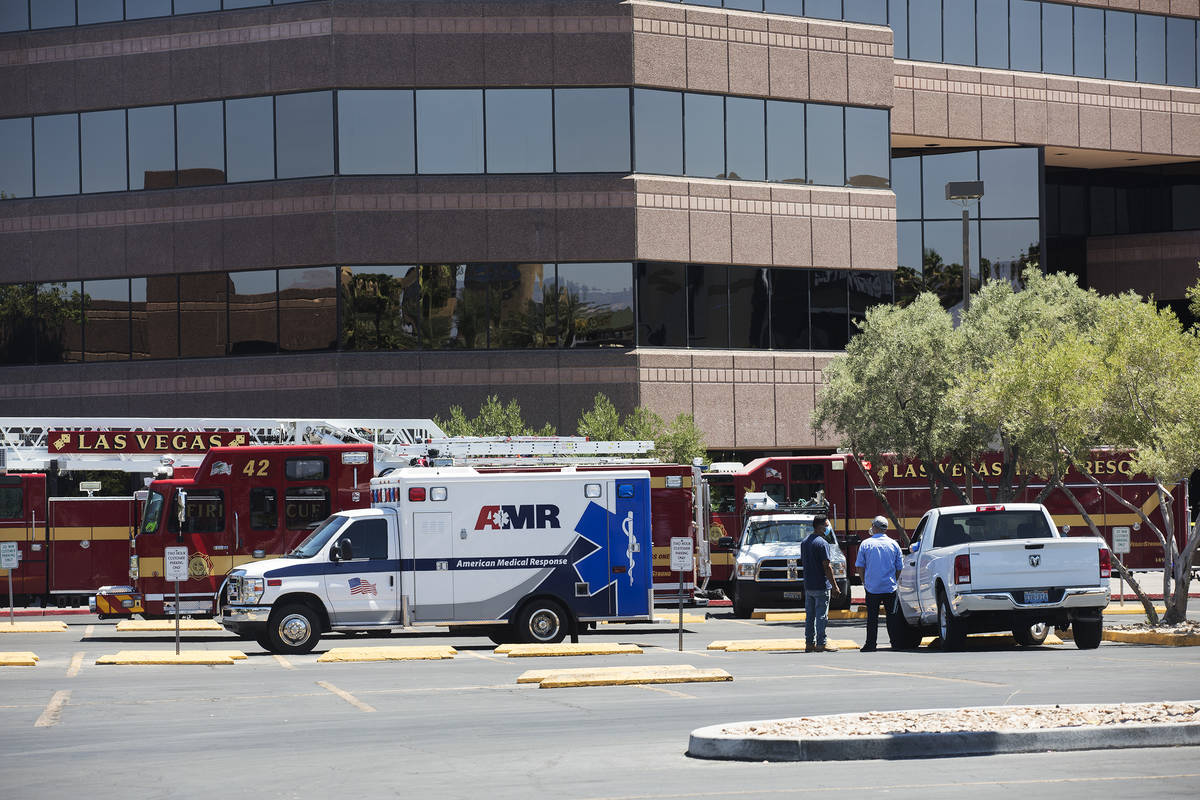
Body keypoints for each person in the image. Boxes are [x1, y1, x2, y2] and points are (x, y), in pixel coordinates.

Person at [855, 515, 904, 652]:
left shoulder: (866, 544)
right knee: (892, 617)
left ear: (875, 527)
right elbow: (899, 567)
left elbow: (860, 566)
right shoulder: (894, 544)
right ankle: (896, 643)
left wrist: (864, 581)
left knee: (872, 618)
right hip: (890, 587)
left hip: (872, 588)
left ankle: (871, 644)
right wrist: (894, 579)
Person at [801, 515, 842, 652]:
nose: (827, 528)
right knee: (821, 616)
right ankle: (821, 643)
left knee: (810, 616)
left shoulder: (805, 542)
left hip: (809, 585)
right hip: (821, 585)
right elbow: (827, 566)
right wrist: (835, 586)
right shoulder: (822, 543)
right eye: (826, 525)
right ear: (819, 527)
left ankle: (809, 643)